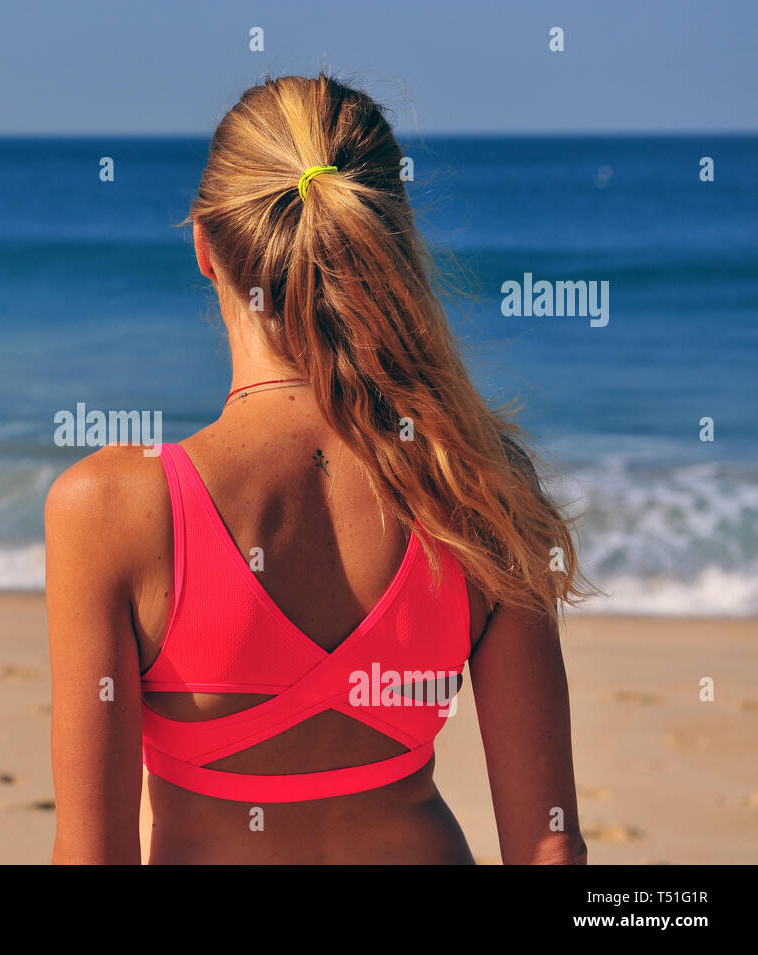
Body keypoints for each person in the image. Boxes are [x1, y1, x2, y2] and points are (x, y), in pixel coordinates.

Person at [44, 73, 589, 864]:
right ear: (387, 243)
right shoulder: (472, 482)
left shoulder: (113, 508)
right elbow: (550, 848)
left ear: (204, 246)